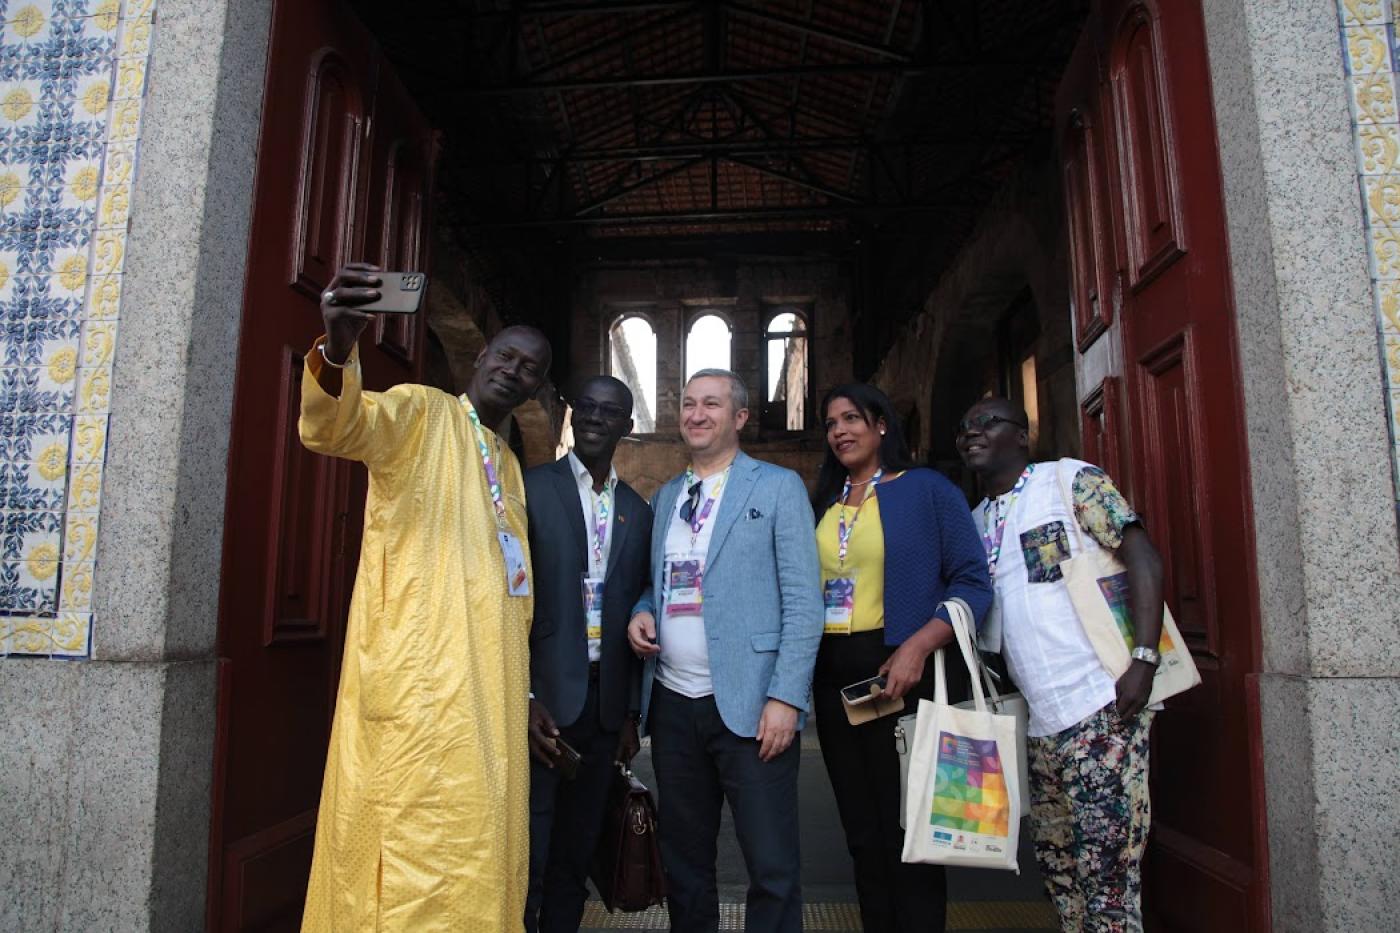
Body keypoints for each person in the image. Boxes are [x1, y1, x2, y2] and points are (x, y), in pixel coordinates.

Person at [298, 262, 552, 932]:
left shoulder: (509, 466)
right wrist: (339, 347)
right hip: (422, 690)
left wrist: (523, 694)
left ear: (537, 385)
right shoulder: (422, 413)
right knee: (413, 856)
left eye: (529, 367)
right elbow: (338, 429)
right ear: (480, 359)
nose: (512, 370)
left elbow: (514, 590)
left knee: (482, 848)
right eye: (505, 355)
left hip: (491, 696)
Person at [954, 397, 1165, 933]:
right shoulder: (975, 523)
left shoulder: (1067, 480)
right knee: (1062, 875)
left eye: (986, 423)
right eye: (964, 428)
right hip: (1038, 728)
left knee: (1108, 877)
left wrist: (1144, 657)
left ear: (1022, 436)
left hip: (1102, 704)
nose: (971, 433)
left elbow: (1140, 554)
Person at [625, 368, 822, 933]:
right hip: (673, 704)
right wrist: (643, 608)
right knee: (685, 863)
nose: (696, 414)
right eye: (688, 404)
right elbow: (656, 583)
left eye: (711, 404)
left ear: (738, 417)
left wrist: (786, 697)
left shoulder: (778, 487)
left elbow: (804, 603)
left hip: (752, 706)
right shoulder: (667, 497)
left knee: (772, 866)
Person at [809, 384, 992, 933]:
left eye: (851, 418)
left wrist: (917, 644)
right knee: (862, 834)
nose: (840, 430)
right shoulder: (824, 501)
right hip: (834, 681)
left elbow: (974, 585)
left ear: (882, 424)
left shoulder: (927, 490)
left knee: (910, 831)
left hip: (899, 673)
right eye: (830, 423)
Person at [523, 376, 652, 932]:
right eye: (588, 408)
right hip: (542, 705)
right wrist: (522, 694)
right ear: (574, 416)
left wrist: (629, 715)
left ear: (628, 425)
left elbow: (640, 602)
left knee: (577, 852)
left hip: (603, 710)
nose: (597, 418)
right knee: (529, 847)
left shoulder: (636, 510)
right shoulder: (530, 487)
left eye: (612, 411)